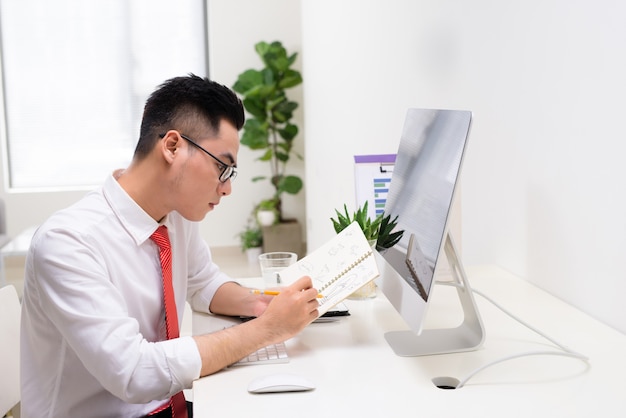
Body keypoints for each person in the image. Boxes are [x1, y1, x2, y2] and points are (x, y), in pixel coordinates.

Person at [20, 74, 320, 418]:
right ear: (173, 146)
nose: (227, 189)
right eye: (223, 167)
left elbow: (203, 281)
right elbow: (133, 373)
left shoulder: (174, 217)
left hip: (164, 406)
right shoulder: (67, 243)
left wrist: (265, 306)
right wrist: (267, 330)